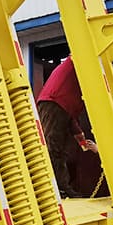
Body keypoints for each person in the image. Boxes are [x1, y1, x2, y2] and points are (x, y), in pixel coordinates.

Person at [36, 56, 98, 198]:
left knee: (60, 150)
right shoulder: (82, 56)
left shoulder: (73, 85)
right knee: (52, 147)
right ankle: (54, 188)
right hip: (55, 101)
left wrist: (81, 138)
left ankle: (61, 187)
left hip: (61, 105)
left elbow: (71, 118)